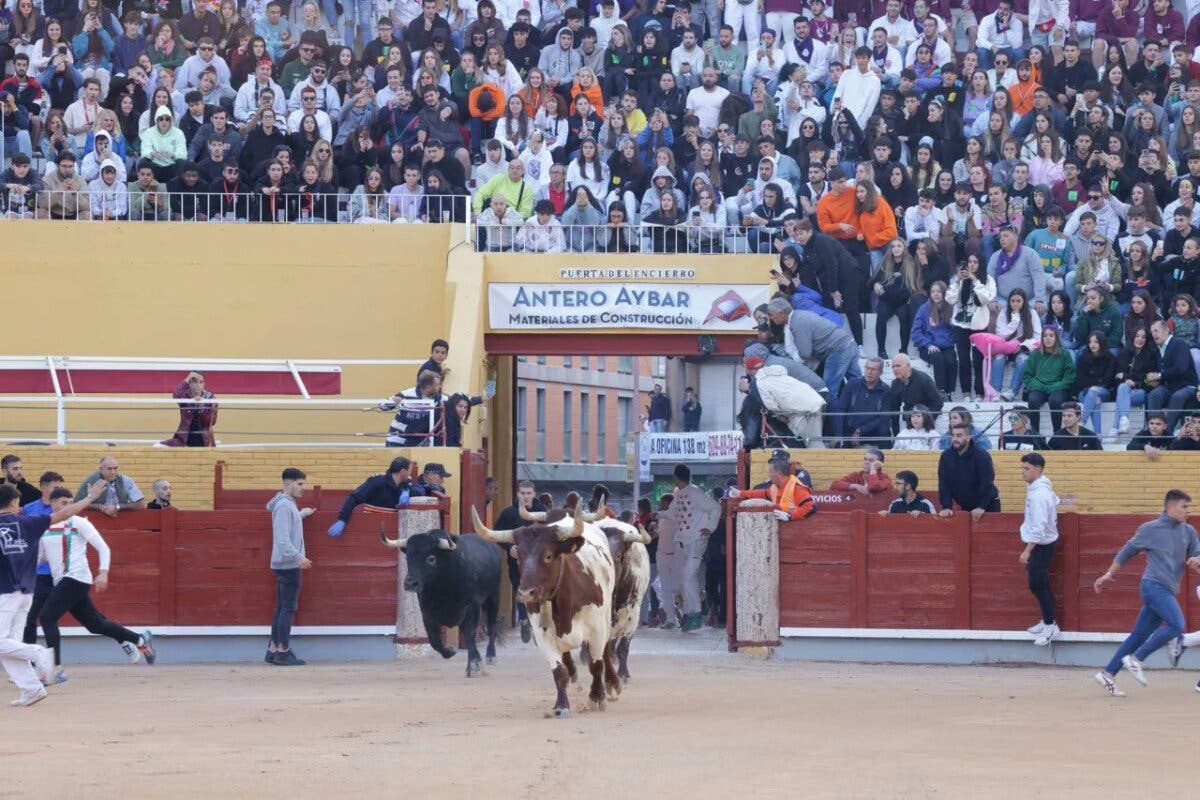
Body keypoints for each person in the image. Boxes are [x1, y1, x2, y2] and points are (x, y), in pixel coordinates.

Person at [1, 479, 108, 707]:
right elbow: (63, 514)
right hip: (26, 592)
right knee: (9, 644)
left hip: (5, 593)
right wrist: (88, 499)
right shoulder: (28, 523)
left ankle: (39, 653)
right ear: (13, 503)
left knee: (3, 642)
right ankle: (31, 689)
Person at [37, 487, 157, 679]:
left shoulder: (78, 522)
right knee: (95, 624)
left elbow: (103, 548)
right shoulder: (45, 526)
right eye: (63, 503)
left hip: (76, 578)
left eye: (70, 503)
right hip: (63, 580)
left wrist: (103, 573)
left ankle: (55, 668)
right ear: (51, 504)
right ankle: (140, 639)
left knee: (47, 617)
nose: (68, 507)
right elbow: (40, 556)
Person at [1093, 489, 1200, 697]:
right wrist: (1108, 574)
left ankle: (1107, 673)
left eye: (1189, 507)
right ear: (1170, 507)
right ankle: (1136, 659)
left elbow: (1197, 554)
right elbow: (1127, 551)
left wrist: (1198, 561)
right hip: (1153, 586)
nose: (1188, 511)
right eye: (1184, 507)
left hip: (1167, 589)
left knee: (1138, 635)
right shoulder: (1150, 529)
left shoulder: (1189, 532)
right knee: (1177, 625)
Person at [656, 464, 720, 633]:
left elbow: (716, 507)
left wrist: (710, 527)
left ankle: (696, 615)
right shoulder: (680, 495)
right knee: (685, 579)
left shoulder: (696, 493)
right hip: (684, 542)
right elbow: (671, 513)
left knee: (687, 576)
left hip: (697, 541)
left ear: (676, 478)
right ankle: (690, 614)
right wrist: (659, 514)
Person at [267, 468, 315, 666]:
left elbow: (289, 524)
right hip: (288, 564)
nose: (303, 488)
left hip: (284, 563)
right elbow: (282, 540)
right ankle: (282, 651)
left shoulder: (287, 506)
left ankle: (273, 650)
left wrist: (301, 513)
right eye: (300, 484)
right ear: (288, 484)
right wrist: (299, 557)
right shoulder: (285, 507)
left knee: (281, 608)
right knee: (287, 608)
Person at [493, 480, 547, 642]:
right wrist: (510, 548)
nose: (525, 496)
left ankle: (538, 627)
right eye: (522, 493)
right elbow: (497, 534)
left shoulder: (542, 512)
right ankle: (523, 620)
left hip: (538, 562)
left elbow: (550, 536)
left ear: (534, 494)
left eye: (528, 493)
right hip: (517, 561)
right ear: (517, 494)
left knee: (540, 592)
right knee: (520, 589)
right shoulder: (509, 513)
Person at [1018, 452, 1061, 647]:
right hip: (1043, 543)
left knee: (1038, 584)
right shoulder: (1040, 488)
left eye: (1026, 468)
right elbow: (1056, 502)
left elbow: (1040, 526)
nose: (1023, 472)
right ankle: (1047, 621)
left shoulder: (1040, 494)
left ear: (1038, 469)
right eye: (1022, 468)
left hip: (1041, 545)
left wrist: (1027, 550)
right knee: (1038, 584)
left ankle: (1051, 625)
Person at [327, 457, 426, 536]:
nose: (410, 475)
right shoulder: (376, 482)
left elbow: (421, 492)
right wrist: (342, 520)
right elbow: (354, 498)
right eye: (409, 471)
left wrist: (406, 490)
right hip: (371, 528)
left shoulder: (406, 485)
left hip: (395, 531)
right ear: (403, 471)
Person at [937, 424, 1001, 519]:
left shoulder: (982, 456)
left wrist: (981, 506)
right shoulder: (946, 456)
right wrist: (946, 506)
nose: (955, 438)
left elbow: (987, 483)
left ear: (968, 437)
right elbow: (944, 483)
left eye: (959, 435)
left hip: (988, 505)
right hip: (966, 506)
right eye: (953, 435)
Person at [1147, 319, 1199, 433]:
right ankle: (1152, 432)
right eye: (1152, 332)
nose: (1153, 334)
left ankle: (1166, 433)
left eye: (1156, 330)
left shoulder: (1179, 344)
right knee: (1154, 394)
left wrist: (1159, 375)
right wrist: (1155, 381)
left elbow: (1181, 368)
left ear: (1166, 331)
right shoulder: (1157, 349)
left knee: (1177, 397)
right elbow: (1161, 373)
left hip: (1187, 385)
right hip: (1169, 386)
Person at [729, 455, 816, 521]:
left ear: (778, 474)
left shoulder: (797, 488)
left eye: (771, 472)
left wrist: (790, 516)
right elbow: (762, 493)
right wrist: (740, 493)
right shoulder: (775, 487)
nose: (769, 475)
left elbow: (811, 507)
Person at [73, 456, 145, 517]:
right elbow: (76, 504)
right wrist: (100, 507)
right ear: (101, 469)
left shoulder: (126, 481)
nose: (113, 472)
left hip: (122, 521)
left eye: (115, 468)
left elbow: (140, 504)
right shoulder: (91, 481)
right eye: (109, 469)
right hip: (96, 522)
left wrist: (118, 507)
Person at [161, 370, 218, 447]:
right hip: (184, 439)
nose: (197, 385)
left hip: (203, 441)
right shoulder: (185, 396)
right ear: (190, 384)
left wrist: (202, 406)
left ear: (204, 384)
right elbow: (176, 395)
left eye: (200, 382)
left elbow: (210, 422)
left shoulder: (210, 398)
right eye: (194, 382)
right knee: (159, 446)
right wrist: (188, 378)